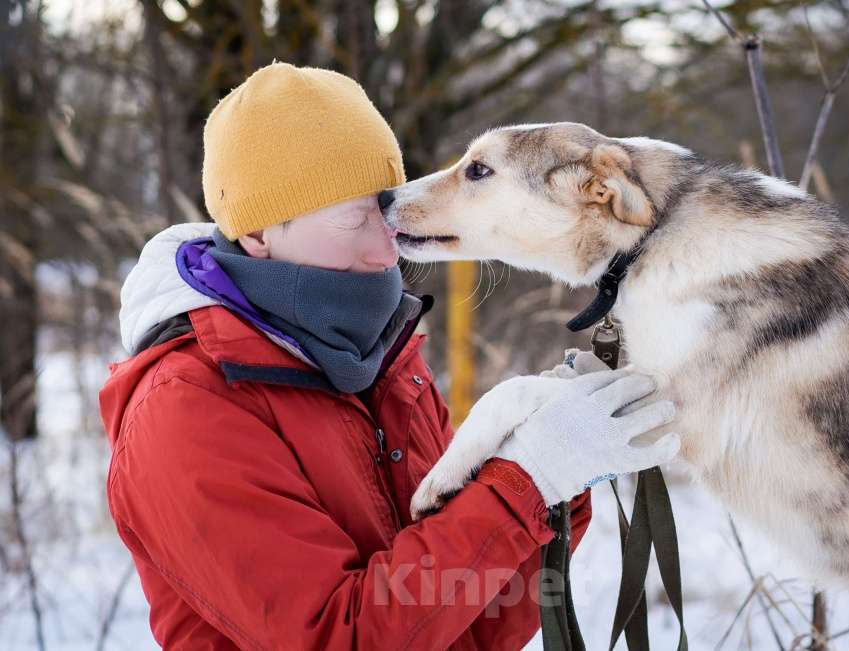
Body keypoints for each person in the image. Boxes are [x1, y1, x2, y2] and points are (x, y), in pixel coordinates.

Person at [98, 62, 676, 650]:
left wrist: (552, 478)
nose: (386, 250)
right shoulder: (187, 406)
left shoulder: (385, 357)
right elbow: (339, 637)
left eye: (386, 215)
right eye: (354, 221)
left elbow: (469, 626)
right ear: (258, 234)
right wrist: (522, 480)